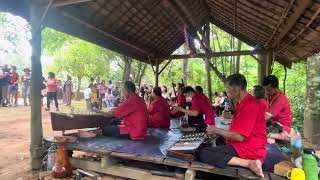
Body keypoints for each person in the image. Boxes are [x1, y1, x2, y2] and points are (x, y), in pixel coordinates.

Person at [199, 74, 267, 177]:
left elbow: (239, 137)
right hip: (246, 144)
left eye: (227, 87)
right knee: (218, 141)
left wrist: (216, 130)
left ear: (237, 88)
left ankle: (249, 163)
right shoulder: (243, 103)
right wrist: (219, 133)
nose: (226, 90)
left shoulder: (250, 106)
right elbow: (236, 130)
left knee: (204, 153)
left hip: (250, 148)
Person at [83, 81, 149, 140]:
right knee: (114, 121)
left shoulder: (131, 100)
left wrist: (97, 111)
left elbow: (110, 114)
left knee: (107, 129)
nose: (122, 92)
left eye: (123, 90)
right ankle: (95, 132)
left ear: (126, 90)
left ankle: (93, 133)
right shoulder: (140, 99)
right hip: (142, 130)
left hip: (134, 132)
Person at [263, 75, 292, 142]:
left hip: (281, 126)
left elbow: (266, 116)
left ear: (276, 87)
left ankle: (282, 136)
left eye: (269, 90)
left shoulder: (280, 99)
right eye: (265, 90)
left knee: (259, 133)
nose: (267, 92)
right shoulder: (270, 96)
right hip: (272, 122)